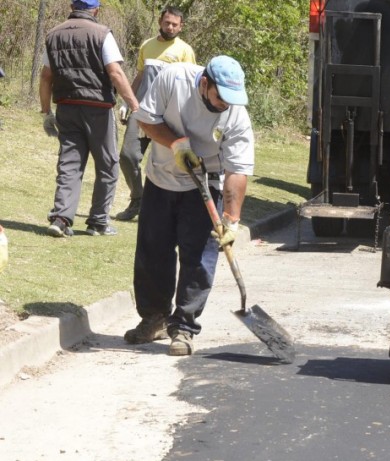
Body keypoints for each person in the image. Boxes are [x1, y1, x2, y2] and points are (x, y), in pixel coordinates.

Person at [123, 56, 254, 356]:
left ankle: (183, 327)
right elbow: (145, 119)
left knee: (198, 259)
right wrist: (177, 144)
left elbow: (237, 170)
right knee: (152, 252)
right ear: (205, 84)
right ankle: (154, 318)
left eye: (231, 101)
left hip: (206, 186)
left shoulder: (236, 115)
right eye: (220, 98)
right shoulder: (173, 78)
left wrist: (231, 220)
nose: (225, 105)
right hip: (161, 177)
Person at [40, 0, 139, 237]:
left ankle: (61, 218)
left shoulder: (53, 35)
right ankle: (97, 221)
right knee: (107, 163)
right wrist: (133, 104)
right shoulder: (102, 34)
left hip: (66, 106)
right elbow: (114, 72)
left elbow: (46, 77)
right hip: (98, 107)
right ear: (95, 10)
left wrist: (46, 113)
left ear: (73, 7)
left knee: (69, 162)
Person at [115, 6, 196, 221]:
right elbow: (140, 77)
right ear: (160, 21)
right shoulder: (147, 46)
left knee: (172, 163)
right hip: (142, 111)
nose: (170, 27)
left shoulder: (185, 51)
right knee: (127, 156)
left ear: (181, 27)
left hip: (170, 117)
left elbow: (190, 86)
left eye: (174, 24)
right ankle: (137, 200)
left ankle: (173, 209)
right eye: (167, 22)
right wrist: (126, 101)